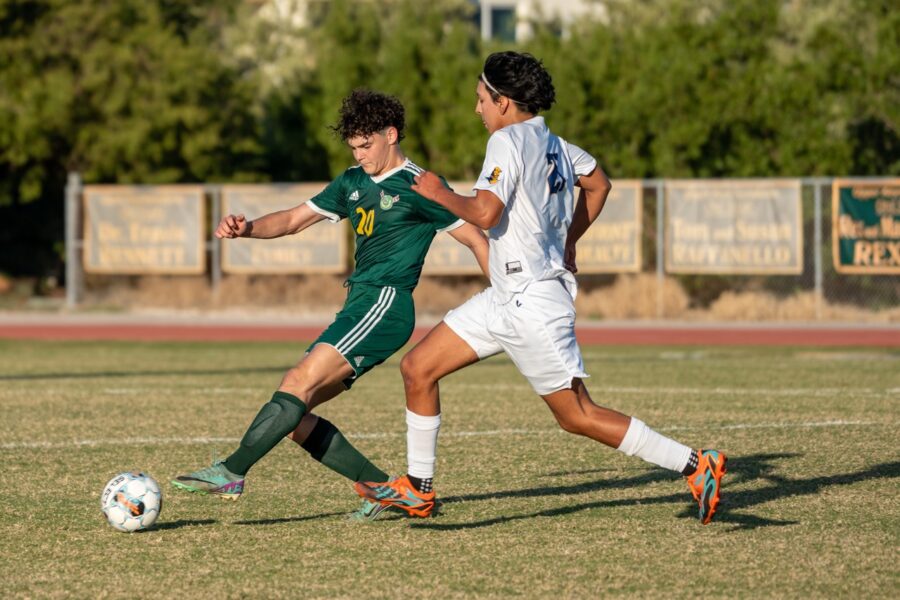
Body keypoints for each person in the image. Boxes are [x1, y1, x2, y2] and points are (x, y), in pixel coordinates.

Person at [355, 52, 727, 524]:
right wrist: (568, 241)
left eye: (481, 100)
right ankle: (418, 488)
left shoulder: (506, 141)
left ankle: (696, 464)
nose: (478, 110)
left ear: (504, 102)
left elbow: (485, 214)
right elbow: (599, 184)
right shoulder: (554, 143)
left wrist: (437, 193)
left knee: (576, 416)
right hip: (505, 296)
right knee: (417, 368)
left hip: (532, 301)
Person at [172, 89, 489, 520]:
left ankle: (231, 471)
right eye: (353, 147)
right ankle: (388, 491)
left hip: (385, 305)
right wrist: (245, 229)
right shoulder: (352, 182)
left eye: (366, 145)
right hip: (358, 304)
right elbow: (291, 220)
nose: (359, 155)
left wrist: (504, 294)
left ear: (391, 135)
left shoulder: (420, 186)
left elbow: (474, 238)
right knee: (293, 417)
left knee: (295, 382)